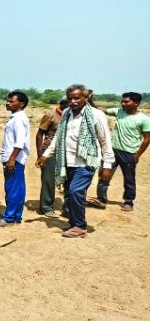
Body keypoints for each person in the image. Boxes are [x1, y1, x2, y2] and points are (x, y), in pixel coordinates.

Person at [38, 84, 114, 238]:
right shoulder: (66, 113)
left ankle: (79, 226)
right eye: (70, 98)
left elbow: (105, 141)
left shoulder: (96, 115)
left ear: (85, 97)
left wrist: (107, 165)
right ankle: (73, 222)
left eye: (77, 98)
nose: (73, 101)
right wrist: (45, 155)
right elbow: (58, 137)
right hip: (68, 161)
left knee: (75, 191)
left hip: (86, 162)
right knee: (69, 193)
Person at [94, 92, 150, 212]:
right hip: (112, 151)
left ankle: (128, 201)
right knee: (104, 174)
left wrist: (138, 155)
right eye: (122, 101)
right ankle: (101, 199)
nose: (123, 103)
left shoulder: (144, 120)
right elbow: (100, 110)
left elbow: (147, 139)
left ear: (136, 103)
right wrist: (89, 99)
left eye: (126, 101)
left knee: (129, 179)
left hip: (129, 153)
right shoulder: (119, 112)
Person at [0, 91, 31, 226]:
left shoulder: (18, 119)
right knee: (18, 188)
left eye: (11, 101)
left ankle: (9, 217)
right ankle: (16, 216)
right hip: (15, 158)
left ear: (21, 104)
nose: (8, 103)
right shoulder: (16, 117)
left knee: (12, 188)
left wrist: (12, 159)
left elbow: (19, 142)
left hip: (14, 159)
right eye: (7, 101)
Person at [34, 98, 69, 216]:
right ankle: (46, 207)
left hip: (67, 151)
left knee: (69, 180)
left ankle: (68, 208)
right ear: (62, 104)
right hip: (50, 151)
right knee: (48, 180)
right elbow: (40, 134)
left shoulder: (73, 115)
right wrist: (40, 155)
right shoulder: (50, 115)